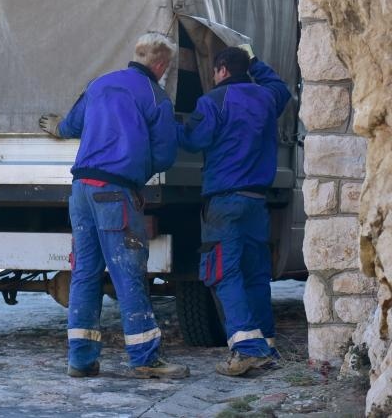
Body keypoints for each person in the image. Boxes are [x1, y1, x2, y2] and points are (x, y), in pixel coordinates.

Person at [39, 32, 189, 379]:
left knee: (85, 273)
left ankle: (81, 359)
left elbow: (72, 125)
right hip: (114, 193)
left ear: (136, 54)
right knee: (128, 273)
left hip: (80, 191)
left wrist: (56, 127)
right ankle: (145, 359)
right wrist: (135, 168)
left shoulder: (100, 84)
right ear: (162, 64)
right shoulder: (156, 97)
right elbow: (165, 156)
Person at [176, 45, 291, 376]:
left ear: (222, 70)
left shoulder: (212, 101)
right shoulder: (266, 98)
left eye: (214, 70)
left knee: (223, 273)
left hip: (224, 202)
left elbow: (195, 140)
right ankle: (265, 345)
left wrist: (167, 126)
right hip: (257, 202)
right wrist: (256, 61)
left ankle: (246, 349)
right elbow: (282, 88)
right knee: (255, 274)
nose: (212, 76)